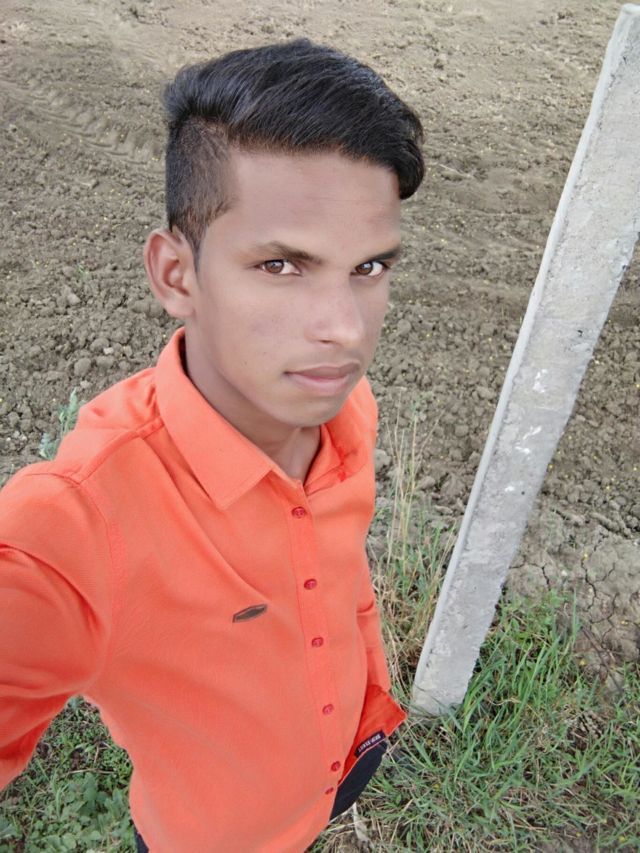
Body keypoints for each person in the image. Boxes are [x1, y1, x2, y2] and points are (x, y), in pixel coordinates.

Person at [0, 39, 424, 852]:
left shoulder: (347, 410)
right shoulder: (78, 531)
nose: (345, 329)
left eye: (369, 266)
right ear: (176, 275)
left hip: (344, 768)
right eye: (282, 264)